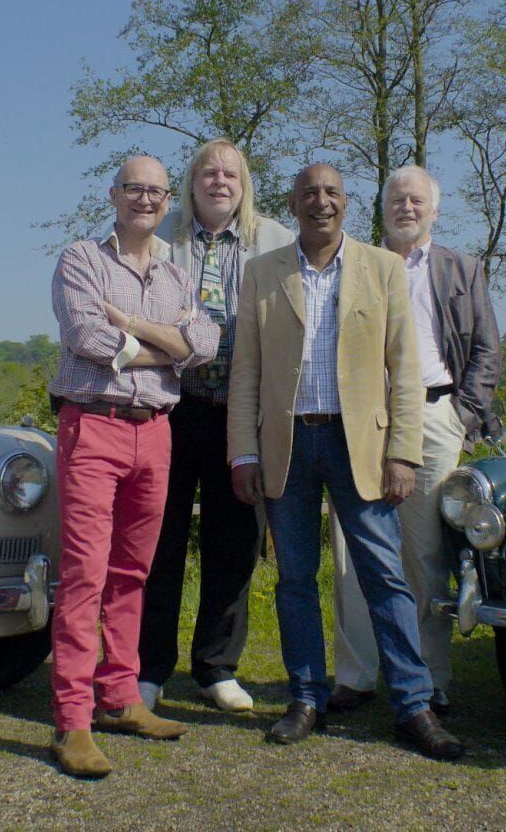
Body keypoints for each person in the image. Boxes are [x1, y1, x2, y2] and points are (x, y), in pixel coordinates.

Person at [225, 163, 465, 760]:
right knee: (295, 580)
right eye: (310, 193)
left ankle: (413, 705)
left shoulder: (380, 269)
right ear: (295, 203)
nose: (321, 202)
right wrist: (244, 452)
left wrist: (404, 453)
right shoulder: (262, 272)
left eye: (331, 192)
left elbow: (404, 371)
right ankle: (307, 697)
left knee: (386, 577)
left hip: (361, 447)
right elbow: (246, 371)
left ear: (347, 203)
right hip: (287, 448)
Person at [45, 154, 220, 779]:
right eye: (133, 188)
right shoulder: (81, 260)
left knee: (133, 573)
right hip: (93, 425)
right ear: (114, 194)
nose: (144, 199)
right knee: (85, 575)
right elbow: (88, 339)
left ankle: (120, 695)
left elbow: (205, 345)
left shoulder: (177, 275)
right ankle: (73, 717)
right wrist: (165, 349)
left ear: (168, 199)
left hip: (157, 434)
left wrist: (137, 334)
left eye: (155, 190)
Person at [327, 165, 502, 716]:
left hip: (433, 415)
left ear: (435, 209)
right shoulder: (349, 264)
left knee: (424, 554)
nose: (407, 207)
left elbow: (487, 351)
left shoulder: (462, 269)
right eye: (397, 198)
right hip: (355, 419)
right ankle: (356, 675)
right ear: (381, 208)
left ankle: (428, 677)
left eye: (417, 199)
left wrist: (462, 414)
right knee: (351, 553)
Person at [138, 139, 294, 714]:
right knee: (160, 540)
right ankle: (149, 667)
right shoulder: (161, 238)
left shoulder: (275, 241)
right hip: (173, 408)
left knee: (234, 544)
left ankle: (216, 667)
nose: (219, 181)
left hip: (243, 414)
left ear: (244, 183)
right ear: (192, 181)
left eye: (230, 173)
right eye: (209, 172)